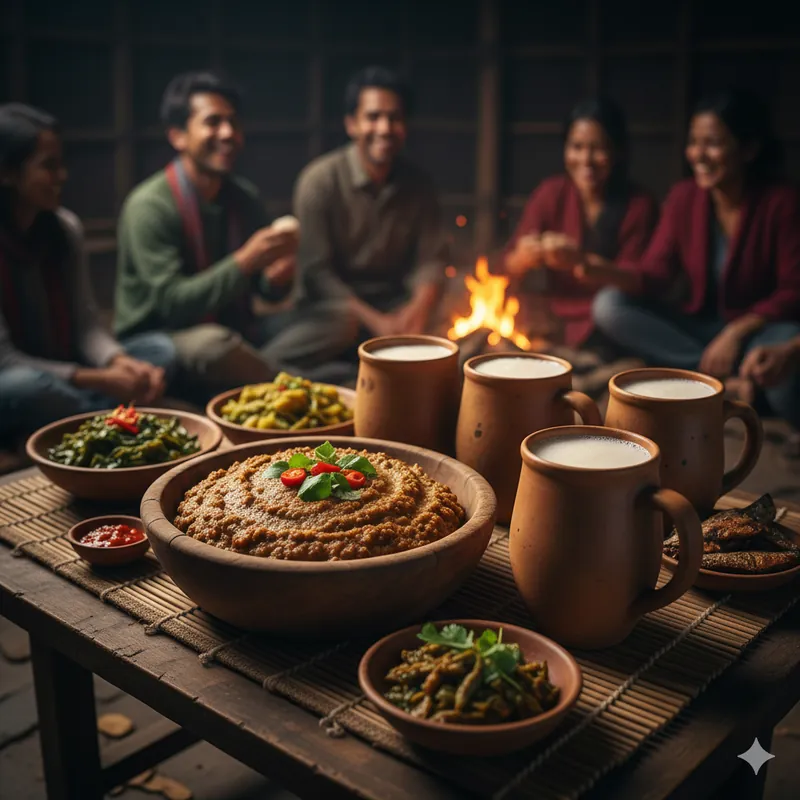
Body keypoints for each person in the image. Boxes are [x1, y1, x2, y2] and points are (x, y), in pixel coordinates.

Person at [588, 88, 800, 430]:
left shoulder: (781, 203)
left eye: (712, 143)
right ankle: (720, 380)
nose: (698, 155)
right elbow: (657, 273)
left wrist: (737, 331)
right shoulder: (684, 197)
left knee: (786, 384)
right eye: (693, 142)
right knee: (609, 305)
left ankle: (719, 381)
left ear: (748, 149)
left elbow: (793, 290)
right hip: (700, 330)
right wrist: (602, 269)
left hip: (760, 331)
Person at [114, 70, 329, 398]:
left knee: (335, 319)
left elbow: (264, 292)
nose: (228, 133)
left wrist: (276, 278)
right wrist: (245, 260)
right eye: (213, 122)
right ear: (178, 136)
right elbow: (173, 304)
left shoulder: (243, 196)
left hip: (235, 329)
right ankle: (302, 385)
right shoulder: (149, 205)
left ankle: (251, 372)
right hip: (162, 337)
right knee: (213, 347)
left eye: (233, 122)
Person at [0, 103, 177, 438]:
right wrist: (101, 380)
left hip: (70, 373)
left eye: (60, 164)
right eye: (48, 166)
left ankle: (89, 415)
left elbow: (87, 326)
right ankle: (104, 416)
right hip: (25, 378)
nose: (62, 176)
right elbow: (5, 360)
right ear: (7, 173)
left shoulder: (64, 229)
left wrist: (120, 363)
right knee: (27, 387)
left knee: (159, 351)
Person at [290, 65, 446, 358]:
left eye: (394, 118)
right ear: (352, 124)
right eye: (373, 117)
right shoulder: (319, 181)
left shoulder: (420, 185)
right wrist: (378, 323)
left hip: (393, 304)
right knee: (341, 326)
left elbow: (431, 261)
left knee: (455, 315)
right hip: (334, 313)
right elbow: (317, 274)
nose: (385, 129)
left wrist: (416, 310)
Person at [503, 97, 658, 350]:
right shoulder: (551, 193)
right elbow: (505, 267)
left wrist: (580, 261)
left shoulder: (639, 205)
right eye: (576, 147)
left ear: (618, 151)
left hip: (609, 318)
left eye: (598, 148)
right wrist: (524, 257)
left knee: (610, 310)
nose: (586, 159)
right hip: (555, 311)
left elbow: (641, 282)